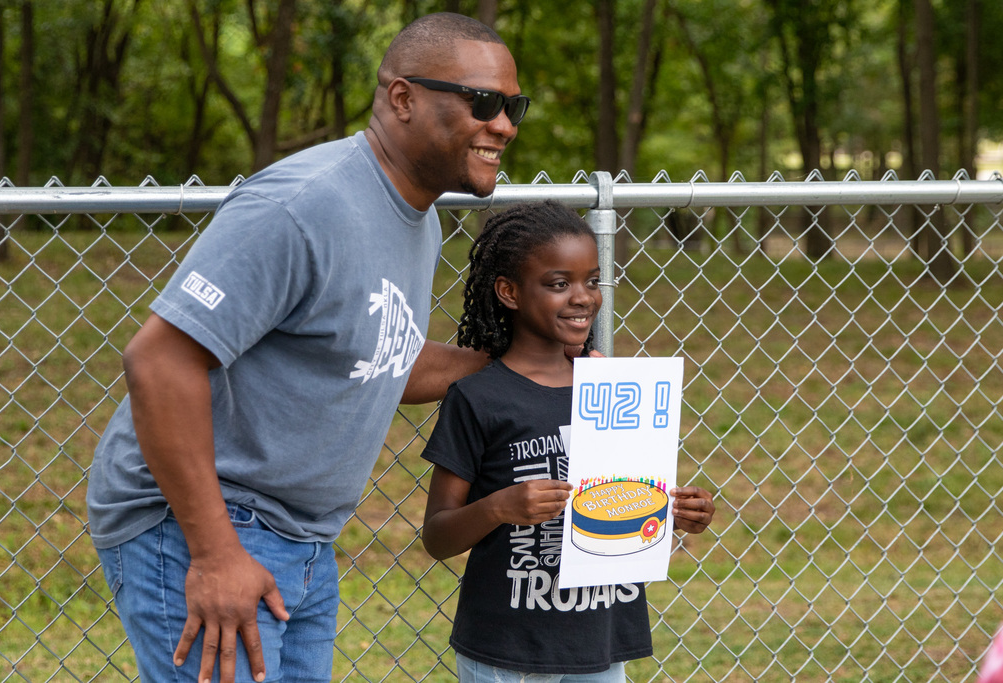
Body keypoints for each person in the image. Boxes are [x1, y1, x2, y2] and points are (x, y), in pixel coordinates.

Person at [86, 13, 533, 683]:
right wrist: (214, 551)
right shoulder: (305, 204)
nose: (504, 124)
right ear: (404, 98)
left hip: (301, 540)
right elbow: (159, 360)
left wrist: (517, 364)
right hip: (200, 527)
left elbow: (379, 358)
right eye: (483, 102)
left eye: (513, 106)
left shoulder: (417, 218)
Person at [421, 200, 717, 682]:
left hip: (599, 639)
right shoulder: (478, 398)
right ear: (509, 292)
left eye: (593, 281)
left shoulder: (611, 389)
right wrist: (499, 507)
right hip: (508, 647)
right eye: (560, 284)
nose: (583, 297)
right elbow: (436, 536)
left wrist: (677, 511)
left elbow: (628, 501)